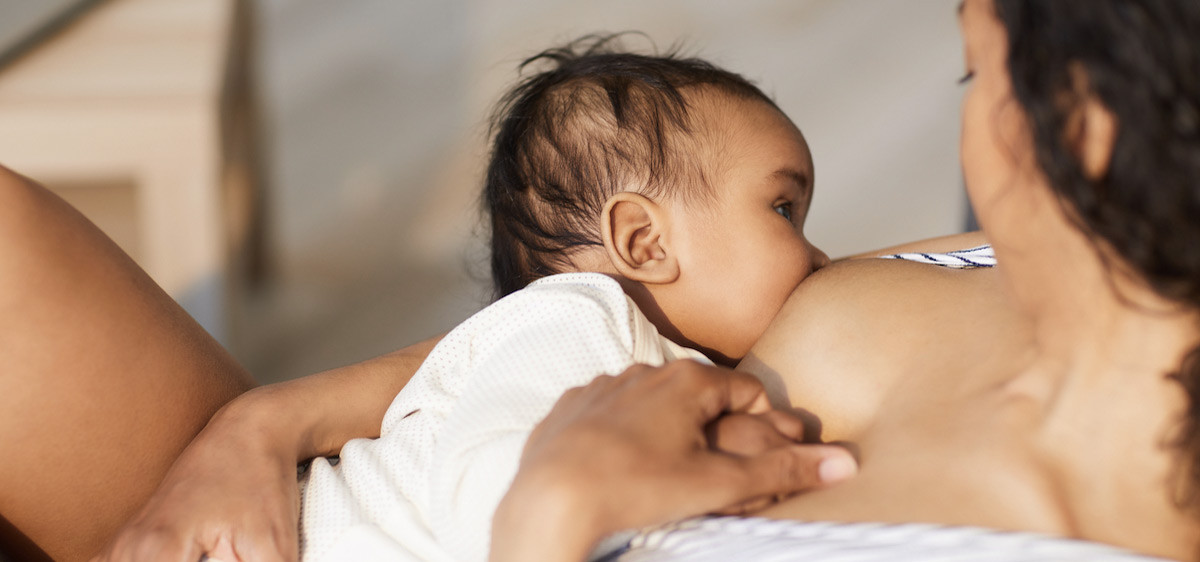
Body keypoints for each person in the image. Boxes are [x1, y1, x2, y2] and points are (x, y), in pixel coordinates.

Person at [491, 0, 1200, 559]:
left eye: (978, 74)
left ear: (1088, 128)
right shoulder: (957, 269)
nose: (817, 256)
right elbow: (546, 328)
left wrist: (545, 520)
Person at [295, 38, 863, 562]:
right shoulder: (578, 316)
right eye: (784, 209)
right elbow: (489, 505)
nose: (820, 257)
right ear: (644, 241)